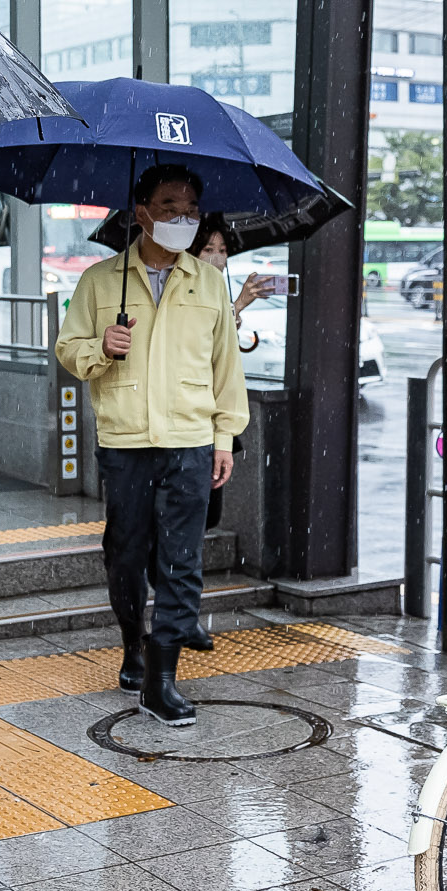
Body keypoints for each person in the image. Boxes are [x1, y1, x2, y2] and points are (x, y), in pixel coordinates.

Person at [56, 164, 248, 726]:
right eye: (169, 207)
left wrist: (224, 438)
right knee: (126, 552)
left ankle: (161, 680)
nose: (181, 219)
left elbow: (225, 368)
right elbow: (68, 350)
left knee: (182, 558)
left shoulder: (209, 282)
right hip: (126, 441)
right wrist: (101, 346)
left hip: (190, 440)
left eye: (190, 209)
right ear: (139, 212)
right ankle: (132, 645)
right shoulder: (99, 280)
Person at [185, 214, 277, 654]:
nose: (218, 259)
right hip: (179, 429)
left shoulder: (216, 292)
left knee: (202, 523)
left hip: (212, 429)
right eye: (208, 251)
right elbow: (199, 345)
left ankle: (182, 608)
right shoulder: (182, 292)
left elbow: (222, 358)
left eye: (223, 251)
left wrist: (235, 305)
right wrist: (237, 305)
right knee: (177, 527)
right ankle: (178, 612)